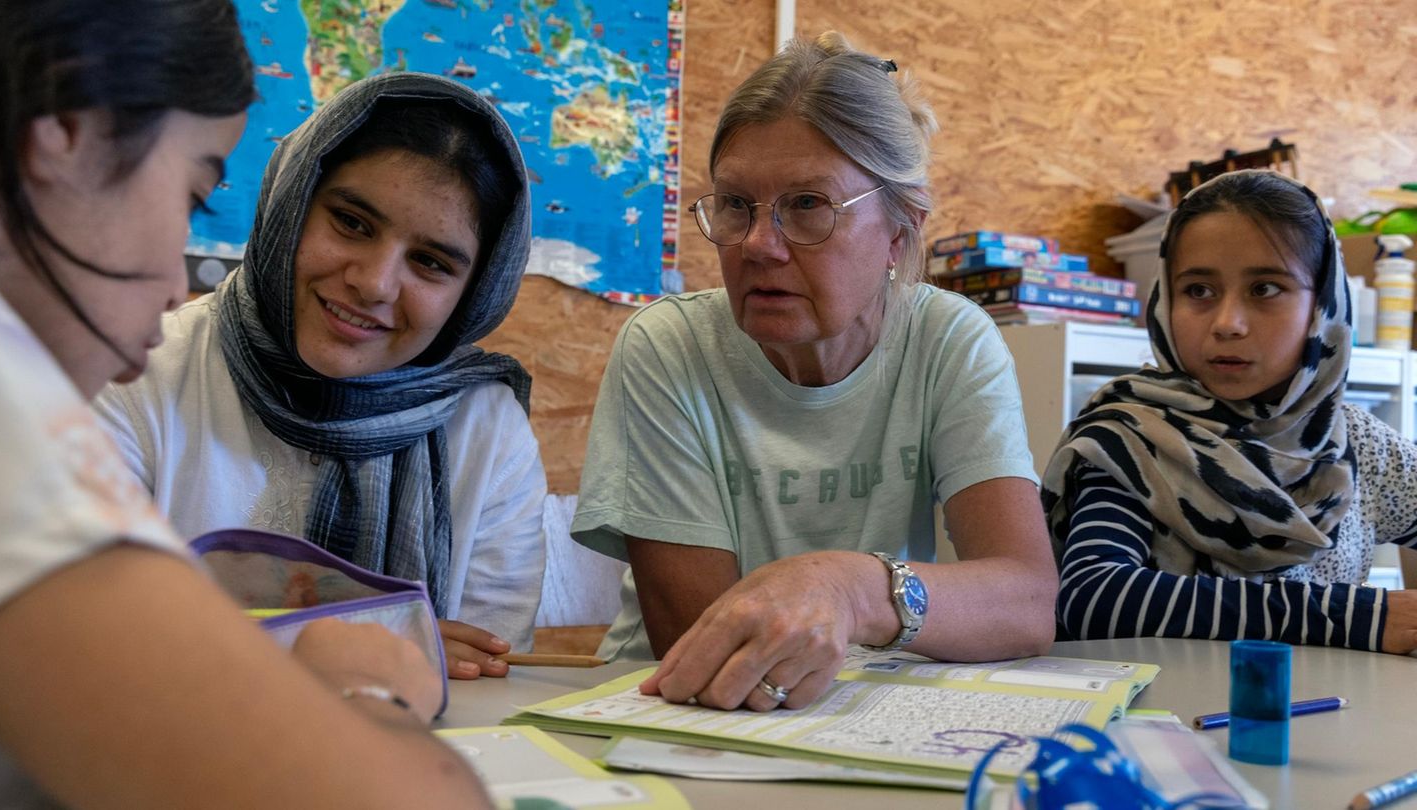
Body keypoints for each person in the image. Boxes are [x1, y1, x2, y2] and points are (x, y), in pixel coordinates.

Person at [0, 1, 491, 807]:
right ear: (64, 135)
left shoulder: (485, 414)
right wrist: (367, 691)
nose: (174, 280)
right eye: (192, 195)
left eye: (431, 263)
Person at [571, 32, 1058, 711]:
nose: (758, 245)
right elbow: (702, 645)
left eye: (807, 205)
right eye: (735, 204)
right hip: (679, 713)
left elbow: (1027, 603)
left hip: (859, 708)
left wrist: (853, 589)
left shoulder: (949, 340)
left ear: (900, 231)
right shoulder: (670, 346)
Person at [94, 72, 547, 679]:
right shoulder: (139, 378)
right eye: (352, 223)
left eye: (430, 262)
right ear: (291, 205)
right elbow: (79, 642)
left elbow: (480, 671)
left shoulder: (488, 432)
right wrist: (361, 647)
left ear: (474, 294)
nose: (375, 283)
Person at [1043, 169, 1417, 655]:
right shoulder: (1136, 434)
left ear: (1323, 306)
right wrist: (1354, 617)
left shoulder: (1358, 442)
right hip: (1166, 702)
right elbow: (1095, 599)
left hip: (1326, 701)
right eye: (1199, 290)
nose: (1227, 323)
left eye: (1264, 289)